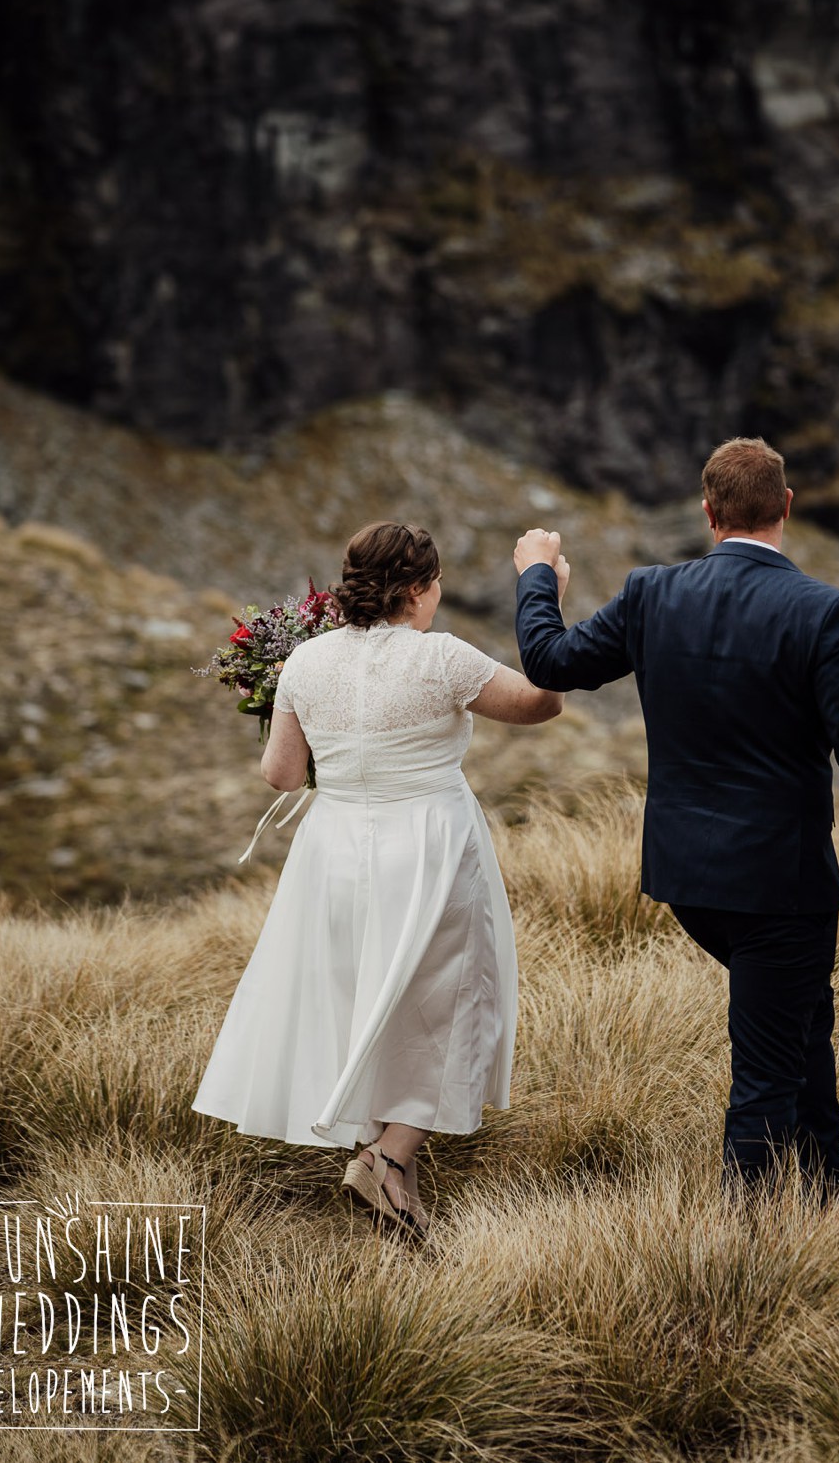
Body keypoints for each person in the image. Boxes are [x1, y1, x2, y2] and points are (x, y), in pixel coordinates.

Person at [513, 436, 839, 1202]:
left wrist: (538, 576)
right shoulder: (822, 612)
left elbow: (550, 661)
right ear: (786, 506)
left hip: (688, 879)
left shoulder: (652, 593)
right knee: (767, 1069)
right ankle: (739, 1259)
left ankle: (827, 1182)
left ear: (708, 513)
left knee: (801, 1017)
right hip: (780, 884)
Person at [191, 520, 563, 1239]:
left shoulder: (306, 663)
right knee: (456, 1004)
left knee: (368, 998)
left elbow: (281, 774)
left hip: (333, 852)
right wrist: (548, 600)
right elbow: (541, 705)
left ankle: (402, 1199)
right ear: (420, 590)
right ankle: (388, 1159)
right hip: (428, 844)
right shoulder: (442, 659)